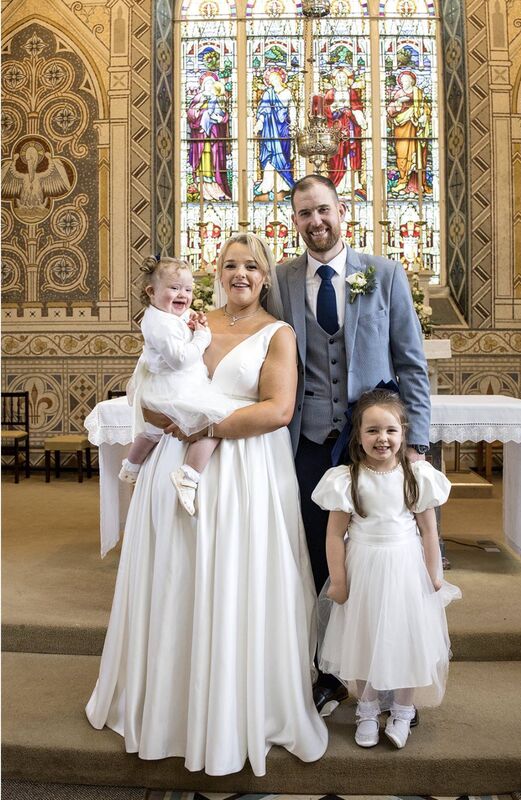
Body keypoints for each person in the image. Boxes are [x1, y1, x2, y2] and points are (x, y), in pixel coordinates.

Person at [86, 232, 328, 776]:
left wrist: (203, 424)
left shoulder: (278, 334)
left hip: (245, 471)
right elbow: (150, 383)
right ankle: (169, 706)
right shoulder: (184, 324)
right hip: (174, 461)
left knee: (233, 583)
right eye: (229, 265)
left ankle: (232, 709)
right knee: (175, 580)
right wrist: (159, 416)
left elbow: (277, 410)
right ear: (216, 272)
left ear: (266, 276)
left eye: (251, 266)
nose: (239, 274)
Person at [274, 173, 431, 715]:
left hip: (373, 444)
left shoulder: (383, 274)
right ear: (294, 221)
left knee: (382, 557)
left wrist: (417, 445)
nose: (315, 222)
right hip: (308, 440)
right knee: (321, 552)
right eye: (303, 214)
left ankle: (383, 674)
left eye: (323, 210)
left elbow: (411, 363)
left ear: (343, 212)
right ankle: (325, 672)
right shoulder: (281, 279)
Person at [312, 389, 461, 749]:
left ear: (403, 433)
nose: (382, 438)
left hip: (406, 569)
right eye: (373, 430)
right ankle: (366, 708)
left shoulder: (416, 476)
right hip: (363, 567)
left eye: (391, 430)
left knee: (406, 638)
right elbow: (335, 535)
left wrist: (432, 576)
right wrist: (340, 581)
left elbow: (428, 531)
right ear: (358, 436)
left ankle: (402, 711)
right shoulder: (346, 478)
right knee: (362, 638)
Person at [119, 255, 246, 516]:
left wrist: (193, 321)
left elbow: (182, 319)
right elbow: (179, 359)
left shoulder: (163, 314)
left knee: (153, 431)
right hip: (174, 386)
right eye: (174, 288)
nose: (183, 295)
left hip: (165, 385)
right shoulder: (159, 324)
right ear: (151, 292)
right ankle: (189, 475)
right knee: (213, 419)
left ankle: (131, 465)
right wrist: (201, 336)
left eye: (188, 289)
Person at [386, 70, 432, 196]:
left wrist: (424, 116)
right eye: (402, 81)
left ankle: (418, 185)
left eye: (407, 80)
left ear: (412, 81)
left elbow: (426, 108)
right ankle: (402, 181)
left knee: (416, 155)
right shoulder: (398, 94)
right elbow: (390, 111)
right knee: (402, 153)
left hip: (416, 129)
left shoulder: (418, 93)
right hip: (401, 128)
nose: (404, 82)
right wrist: (399, 103)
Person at [187, 72, 232, 201]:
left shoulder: (218, 98)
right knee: (203, 159)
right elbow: (190, 114)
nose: (209, 85)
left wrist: (220, 118)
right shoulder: (198, 97)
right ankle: (202, 189)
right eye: (206, 83)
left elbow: (224, 115)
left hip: (215, 135)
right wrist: (200, 109)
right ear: (202, 85)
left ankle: (217, 189)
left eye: (211, 83)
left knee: (215, 160)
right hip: (200, 137)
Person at [254, 66, 296, 198]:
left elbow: (292, 108)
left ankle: (283, 185)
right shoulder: (267, 93)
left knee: (283, 154)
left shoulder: (287, 92)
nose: (274, 80)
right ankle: (268, 185)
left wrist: (294, 123)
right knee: (270, 155)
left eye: (276, 77)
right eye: (271, 79)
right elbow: (263, 110)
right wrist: (259, 123)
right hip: (269, 129)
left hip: (283, 128)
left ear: (281, 78)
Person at [324, 67, 367, 189]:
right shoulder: (330, 93)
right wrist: (334, 108)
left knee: (351, 152)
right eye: (339, 77)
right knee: (337, 154)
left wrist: (361, 119)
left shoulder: (351, 92)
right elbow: (324, 110)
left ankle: (352, 183)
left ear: (348, 79)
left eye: (343, 77)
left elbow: (357, 108)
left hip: (350, 125)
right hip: (336, 126)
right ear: (335, 80)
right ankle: (338, 184)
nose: (341, 80)